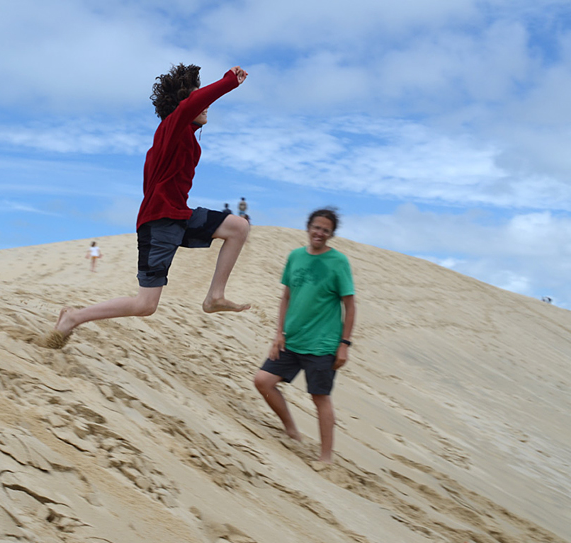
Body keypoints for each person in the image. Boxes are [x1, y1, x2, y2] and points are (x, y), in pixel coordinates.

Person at [48, 64, 251, 348]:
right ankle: (73, 317)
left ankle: (215, 296)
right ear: (183, 105)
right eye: (199, 100)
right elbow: (193, 103)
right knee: (146, 304)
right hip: (158, 222)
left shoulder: (190, 142)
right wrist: (230, 81)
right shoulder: (170, 128)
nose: (206, 107)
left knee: (239, 227)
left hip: (179, 216)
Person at [253, 208, 355, 464]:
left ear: (331, 235)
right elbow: (286, 297)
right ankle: (291, 428)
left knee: (319, 398)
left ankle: (326, 456)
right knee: (263, 381)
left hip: (322, 345)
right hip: (292, 340)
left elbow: (350, 305)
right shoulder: (295, 256)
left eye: (326, 230)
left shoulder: (338, 262)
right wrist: (279, 333)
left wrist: (344, 344)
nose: (319, 233)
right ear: (308, 227)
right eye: (316, 227)